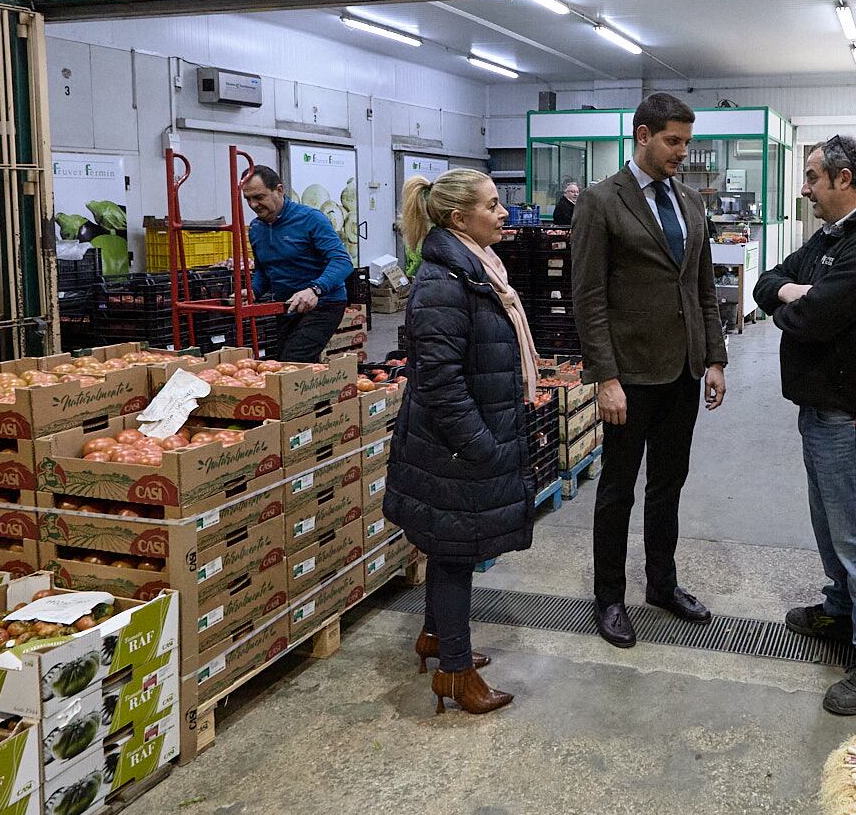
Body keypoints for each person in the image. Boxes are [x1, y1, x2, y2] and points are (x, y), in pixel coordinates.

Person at [753, 136, 856, 715]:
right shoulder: (833, 236)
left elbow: (812, 321)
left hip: (853, 415)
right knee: (830, 524)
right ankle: (841, 609)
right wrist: (796, 292)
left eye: (813, 177)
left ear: (844, 179)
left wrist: (799, 302)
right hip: (821, 409)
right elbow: (768, 281)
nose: (805, 188)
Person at [571, 92, 728, 648]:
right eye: (672, 141)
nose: (681, 152)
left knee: (669, 484)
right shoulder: (600, 202)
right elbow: (587, 297)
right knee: (617, 488)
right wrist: (604, 377)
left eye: (686, 142)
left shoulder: (689, 201)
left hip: (683, 371)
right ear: (642, 135)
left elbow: (702, 286)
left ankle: (662, 583)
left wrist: (714, 357)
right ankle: (609, 599)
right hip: (630, 376)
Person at [384, 169, 540, 716]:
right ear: (458, 218)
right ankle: (455, 673)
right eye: (493, 206)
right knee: (454, 555)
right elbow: (441, 381)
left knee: (450, 546)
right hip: (452, 447)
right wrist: (481, 446)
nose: (503, 214)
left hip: (460, 442)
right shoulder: (445, 282)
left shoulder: (475, 271)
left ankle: (435, 637)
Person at [242, 166, 355, 361]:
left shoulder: (310, 219)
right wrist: (253, 291)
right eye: (248, 199)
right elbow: (263, 269)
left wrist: (315, 290)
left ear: (279, 190)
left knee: (292, 361)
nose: (253, 204)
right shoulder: (256, 228)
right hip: (287, 306)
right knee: (282, 364)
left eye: (259, 197)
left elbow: (342, 261)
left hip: (323, 303)